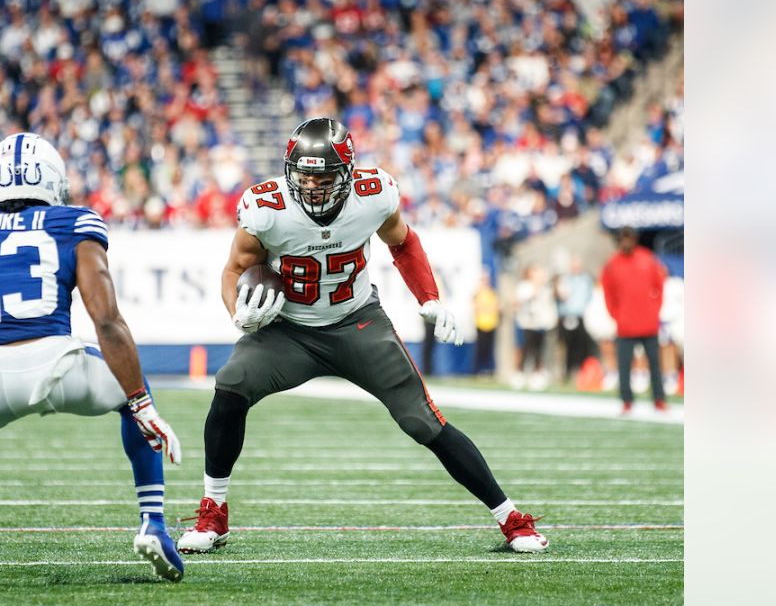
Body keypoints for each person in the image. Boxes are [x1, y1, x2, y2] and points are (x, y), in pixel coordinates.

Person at [176, 118, 548, 555]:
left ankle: (512, 519)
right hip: (289, 331)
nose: (312, 185)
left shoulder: (374, 195)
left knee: (423, 421)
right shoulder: (267, 206)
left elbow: (404, 243)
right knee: (231, 383)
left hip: (357, 323)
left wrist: (428, 298)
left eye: (324, 175)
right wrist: (238, 312)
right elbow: (235, 269)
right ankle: (214, 513)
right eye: (304, 174)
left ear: (348, 172)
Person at [0, 134, 185, 580]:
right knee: (132, 393)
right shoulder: (75, 223)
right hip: (62, 364)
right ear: (53, 179)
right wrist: (142, 404)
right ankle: (153, 522)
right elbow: (107, 321)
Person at [600, 227, 668, 414]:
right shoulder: (612, 264)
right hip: (625, 325)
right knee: (624, 365)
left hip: (648, 323)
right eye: (623, 239)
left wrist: (654, 309)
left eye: (629, 238)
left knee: (655, 364)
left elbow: (659, 286)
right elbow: (608, 293)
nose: (626, 242)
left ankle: (659, 399)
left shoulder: (647, 258)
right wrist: (617, 315)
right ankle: (626, 400)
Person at [513, 265, 557, 390]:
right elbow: (520, 301)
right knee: (525, 349)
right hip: (526, 323)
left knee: (539, 349)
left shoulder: (546, 287)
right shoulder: (524, 286)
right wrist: (535, 288)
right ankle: (519, 373)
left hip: (540, 323)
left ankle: (536, 373)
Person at [555, 256, 597, 383]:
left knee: (582, 346)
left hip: (581, 316)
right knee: (566, 346)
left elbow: (590, 297)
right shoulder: (564, 279)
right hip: (566, 316)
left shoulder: (586, 279)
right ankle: (566, 372)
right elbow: (558, 295)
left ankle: (581, 372)